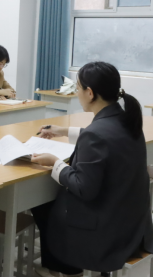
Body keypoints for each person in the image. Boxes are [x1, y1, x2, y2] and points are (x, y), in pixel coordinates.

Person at [31, 62, 153, 276]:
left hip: (107, 232)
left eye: (78, 88)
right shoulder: (127, 121)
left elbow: (84, 188)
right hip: (133, 224)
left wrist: (55, 163)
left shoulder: (96, 134)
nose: (76, 93)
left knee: (42, 204)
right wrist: (63, 130)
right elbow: (103, 136)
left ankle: (66, 268)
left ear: (90, 93)